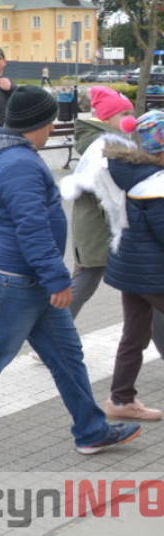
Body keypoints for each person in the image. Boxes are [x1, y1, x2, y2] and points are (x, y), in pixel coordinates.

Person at [0, 85, 142, 455]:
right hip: (13, 279)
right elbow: (31, 228)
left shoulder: (14, 156)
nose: (52, 129)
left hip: (27, 277)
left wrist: (49, 278)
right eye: (50, 122)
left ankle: (91, 431)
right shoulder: (19, 164)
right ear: (36, 123)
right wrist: (57, 279)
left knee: (66, 355)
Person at [97, 110, 164, 422]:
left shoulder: (129, 172)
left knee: (134, 336)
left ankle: (121, 399)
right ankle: (121, 400)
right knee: (134, 336)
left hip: (131, 269)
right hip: (153, 273)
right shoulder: (155, 184)